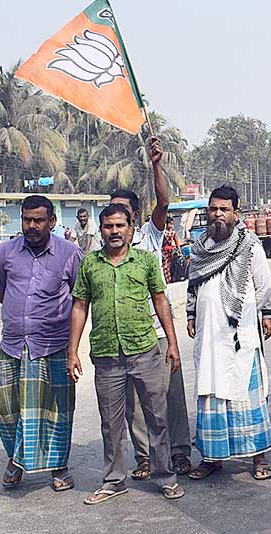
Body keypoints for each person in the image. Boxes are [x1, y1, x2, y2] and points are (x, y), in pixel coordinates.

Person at [68, 204, 184, 504]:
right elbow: (79, 307)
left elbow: (161, 302)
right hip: (106, 354)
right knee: (111, 422)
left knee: (156, 416)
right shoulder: (90, 264)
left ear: (131, 229)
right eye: (109, 226)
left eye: (120, 226)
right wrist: (73, 351)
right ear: (101, 229)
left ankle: (165, 476)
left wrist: (172, 343)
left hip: (144, 350)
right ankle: (114, 480)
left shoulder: (145, 261)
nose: (115, 231)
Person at [109, 137, 193, 480]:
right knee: (135, 405)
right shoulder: (104, 251)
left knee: (170, 396)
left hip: (158, 333)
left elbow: (164, 201)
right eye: (110, 212)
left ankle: (180, 451)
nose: (116, 219)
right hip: (122, 337)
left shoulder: (150, 234)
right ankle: (145, 457)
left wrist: (157, 165)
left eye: (122, 211)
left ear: (134, 215)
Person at [0, 195, 83, 491]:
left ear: (52, 222)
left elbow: (80, 300)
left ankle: (58, 468)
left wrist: (72, 348)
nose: (32, 225)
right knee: (5, 408)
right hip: (14, 344)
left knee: (56, 409)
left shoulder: (70, 253)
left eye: (38, 220)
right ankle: (18, 458)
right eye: (27, 219)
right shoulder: (6, 252)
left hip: (53, 344)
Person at [185, 186, 271, 481]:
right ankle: (212, 458)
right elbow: (193, 285)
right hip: (209, 335)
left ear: (236, 213)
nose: (218, 214)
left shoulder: (250, 245)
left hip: (242, 334)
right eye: (214, 209)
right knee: (211, 393)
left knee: (245, 394)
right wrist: (191, 314)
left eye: (224, 209)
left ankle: (257, 457)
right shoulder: (200, 248)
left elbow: (262, 286)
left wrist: (264, 314)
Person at [161, 216, 184, 283]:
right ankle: (167, 281)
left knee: (172, 266)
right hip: (164, 252)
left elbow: (177, 242)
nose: (171, 226)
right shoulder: (163, 233)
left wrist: (179, 251)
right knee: (165, 267)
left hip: (171, 252)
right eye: (170, 224)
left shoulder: (173, 232)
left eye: (172, 224)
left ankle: (172, 280)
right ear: (166, 224)